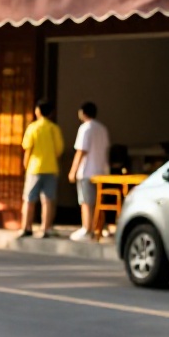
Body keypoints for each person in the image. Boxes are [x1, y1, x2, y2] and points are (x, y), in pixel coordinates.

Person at [19, 99, 63, 239]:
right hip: (50, 167)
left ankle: (26, 227)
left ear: (38, 111)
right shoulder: (54, 128)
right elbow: (59, 149)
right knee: (48, 200)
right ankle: (46, 228)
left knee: (29, 199)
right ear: (51, 113)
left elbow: (27, 148)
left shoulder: (33, 128)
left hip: (34, 167)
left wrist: (25, 164)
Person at [68, 101, 111, 243]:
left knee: (86, 202)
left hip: (87, 171)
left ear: (83, 113)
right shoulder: (102, 128)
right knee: (99, 202)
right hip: (101, 170)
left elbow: (81, 151)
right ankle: (97, 228)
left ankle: (87, 229)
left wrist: (73, 170)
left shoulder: (85, 128)